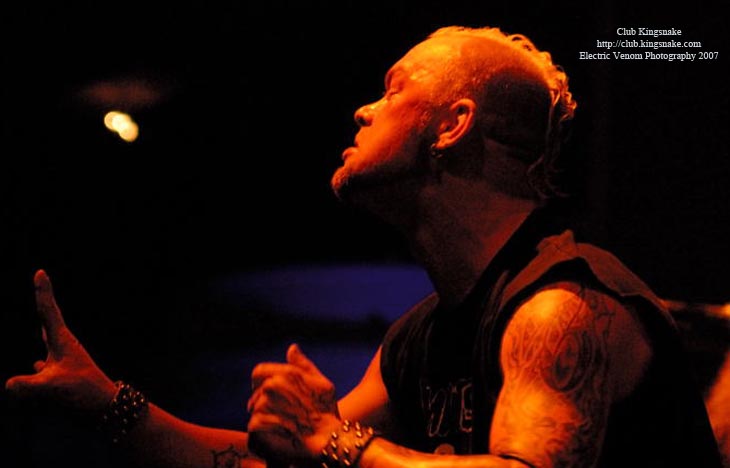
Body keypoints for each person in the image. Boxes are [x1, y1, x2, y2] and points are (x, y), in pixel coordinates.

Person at [5, 25, 724, 468]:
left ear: (453, 126)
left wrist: (335, 442)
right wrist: (108, 403)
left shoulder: (560, 307)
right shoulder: (421, 339)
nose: (363, 108)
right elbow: (281, 462)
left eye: (394, 89)